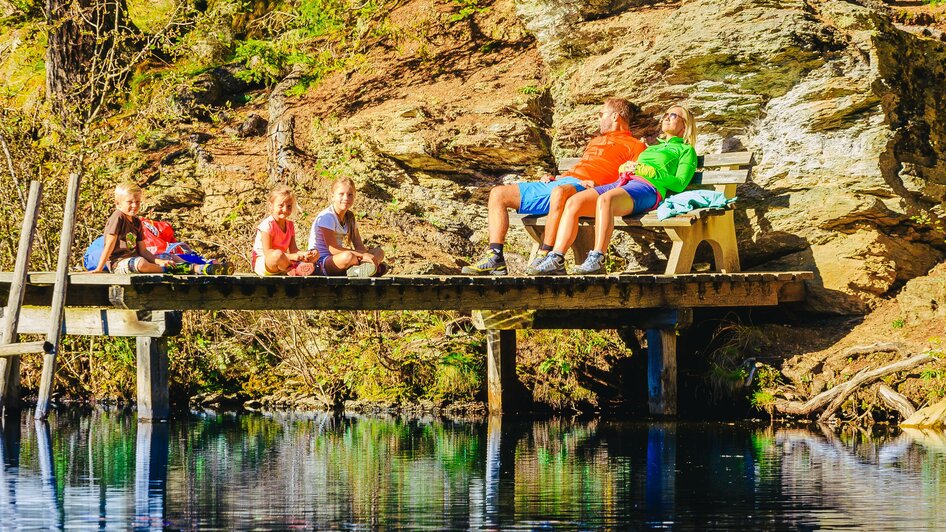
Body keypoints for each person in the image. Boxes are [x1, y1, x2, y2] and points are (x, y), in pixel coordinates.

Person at [462, 98, 647, 275]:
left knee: (560, 192)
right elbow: (583, 167)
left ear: (615, 116)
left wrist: (600, 185)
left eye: (601, 114)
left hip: (588, 189)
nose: (598, 118)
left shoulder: (636, 146)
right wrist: (559, 176)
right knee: (498, 194)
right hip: (564, 182)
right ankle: (495, 258)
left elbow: (631, 178)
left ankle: (546, 255)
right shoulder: (595, 141)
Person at [531, 105, 698, 275]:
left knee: (606, 200)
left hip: (648, 189)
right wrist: (626, 167)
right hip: (625, 183)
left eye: (674, 115)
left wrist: (652, 173)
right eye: (666, 114)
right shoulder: (652, 147)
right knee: (574, 201)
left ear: (685, 126)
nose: (667, 117)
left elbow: (679, 183)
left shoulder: (685, 150)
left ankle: (597, 258)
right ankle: (556, 258)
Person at [91, 182, 225, 274]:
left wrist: (161, 261)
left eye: (137, 202)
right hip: (118, 263)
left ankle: (198, 268)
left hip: (138, 257)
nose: (134, 206)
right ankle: (171, 270)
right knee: (141, 263)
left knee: (169, 256)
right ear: (118, 204)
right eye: (130, 202)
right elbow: (109, 244)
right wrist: (99, 268)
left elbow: (143, 251)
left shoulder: (137, 222)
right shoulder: (118, 217)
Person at [308, 177, 386, 278]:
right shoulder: (327, 216)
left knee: (379, 252)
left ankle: (362, 269)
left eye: (350, 195)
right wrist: (362, 256)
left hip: (340, 257)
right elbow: (333, 250)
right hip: (323, 261)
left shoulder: (350, 218)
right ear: (332, 196)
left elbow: (359, 246)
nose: (346, 198)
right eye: (341, 194)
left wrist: (365, 255)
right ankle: (367, 269)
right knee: (348, 256)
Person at [252, 186, 318, 276]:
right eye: (281, 206)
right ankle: (294, 269)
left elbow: (294, 249)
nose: (285, 210)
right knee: (277, 255)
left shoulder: (290, 225)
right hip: (265, 263)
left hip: (284, 261)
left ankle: (293, 268)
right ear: (271, 206)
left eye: (289, 206)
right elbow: (268, 253)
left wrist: (304, 254)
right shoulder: (267, 225)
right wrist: (291, 256)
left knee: (316, 253)